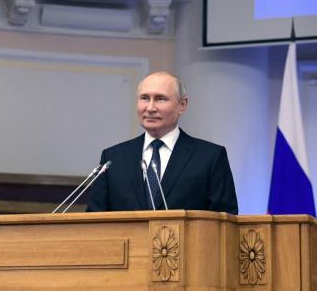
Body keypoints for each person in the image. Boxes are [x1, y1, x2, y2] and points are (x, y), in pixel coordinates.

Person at [86, 72, 238, 214]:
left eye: (161, 99)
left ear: (182, 105)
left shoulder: (210, 157)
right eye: (145, 98)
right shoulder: (113, 158)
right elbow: (94, 220)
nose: (150, 108)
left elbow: (225, 222)